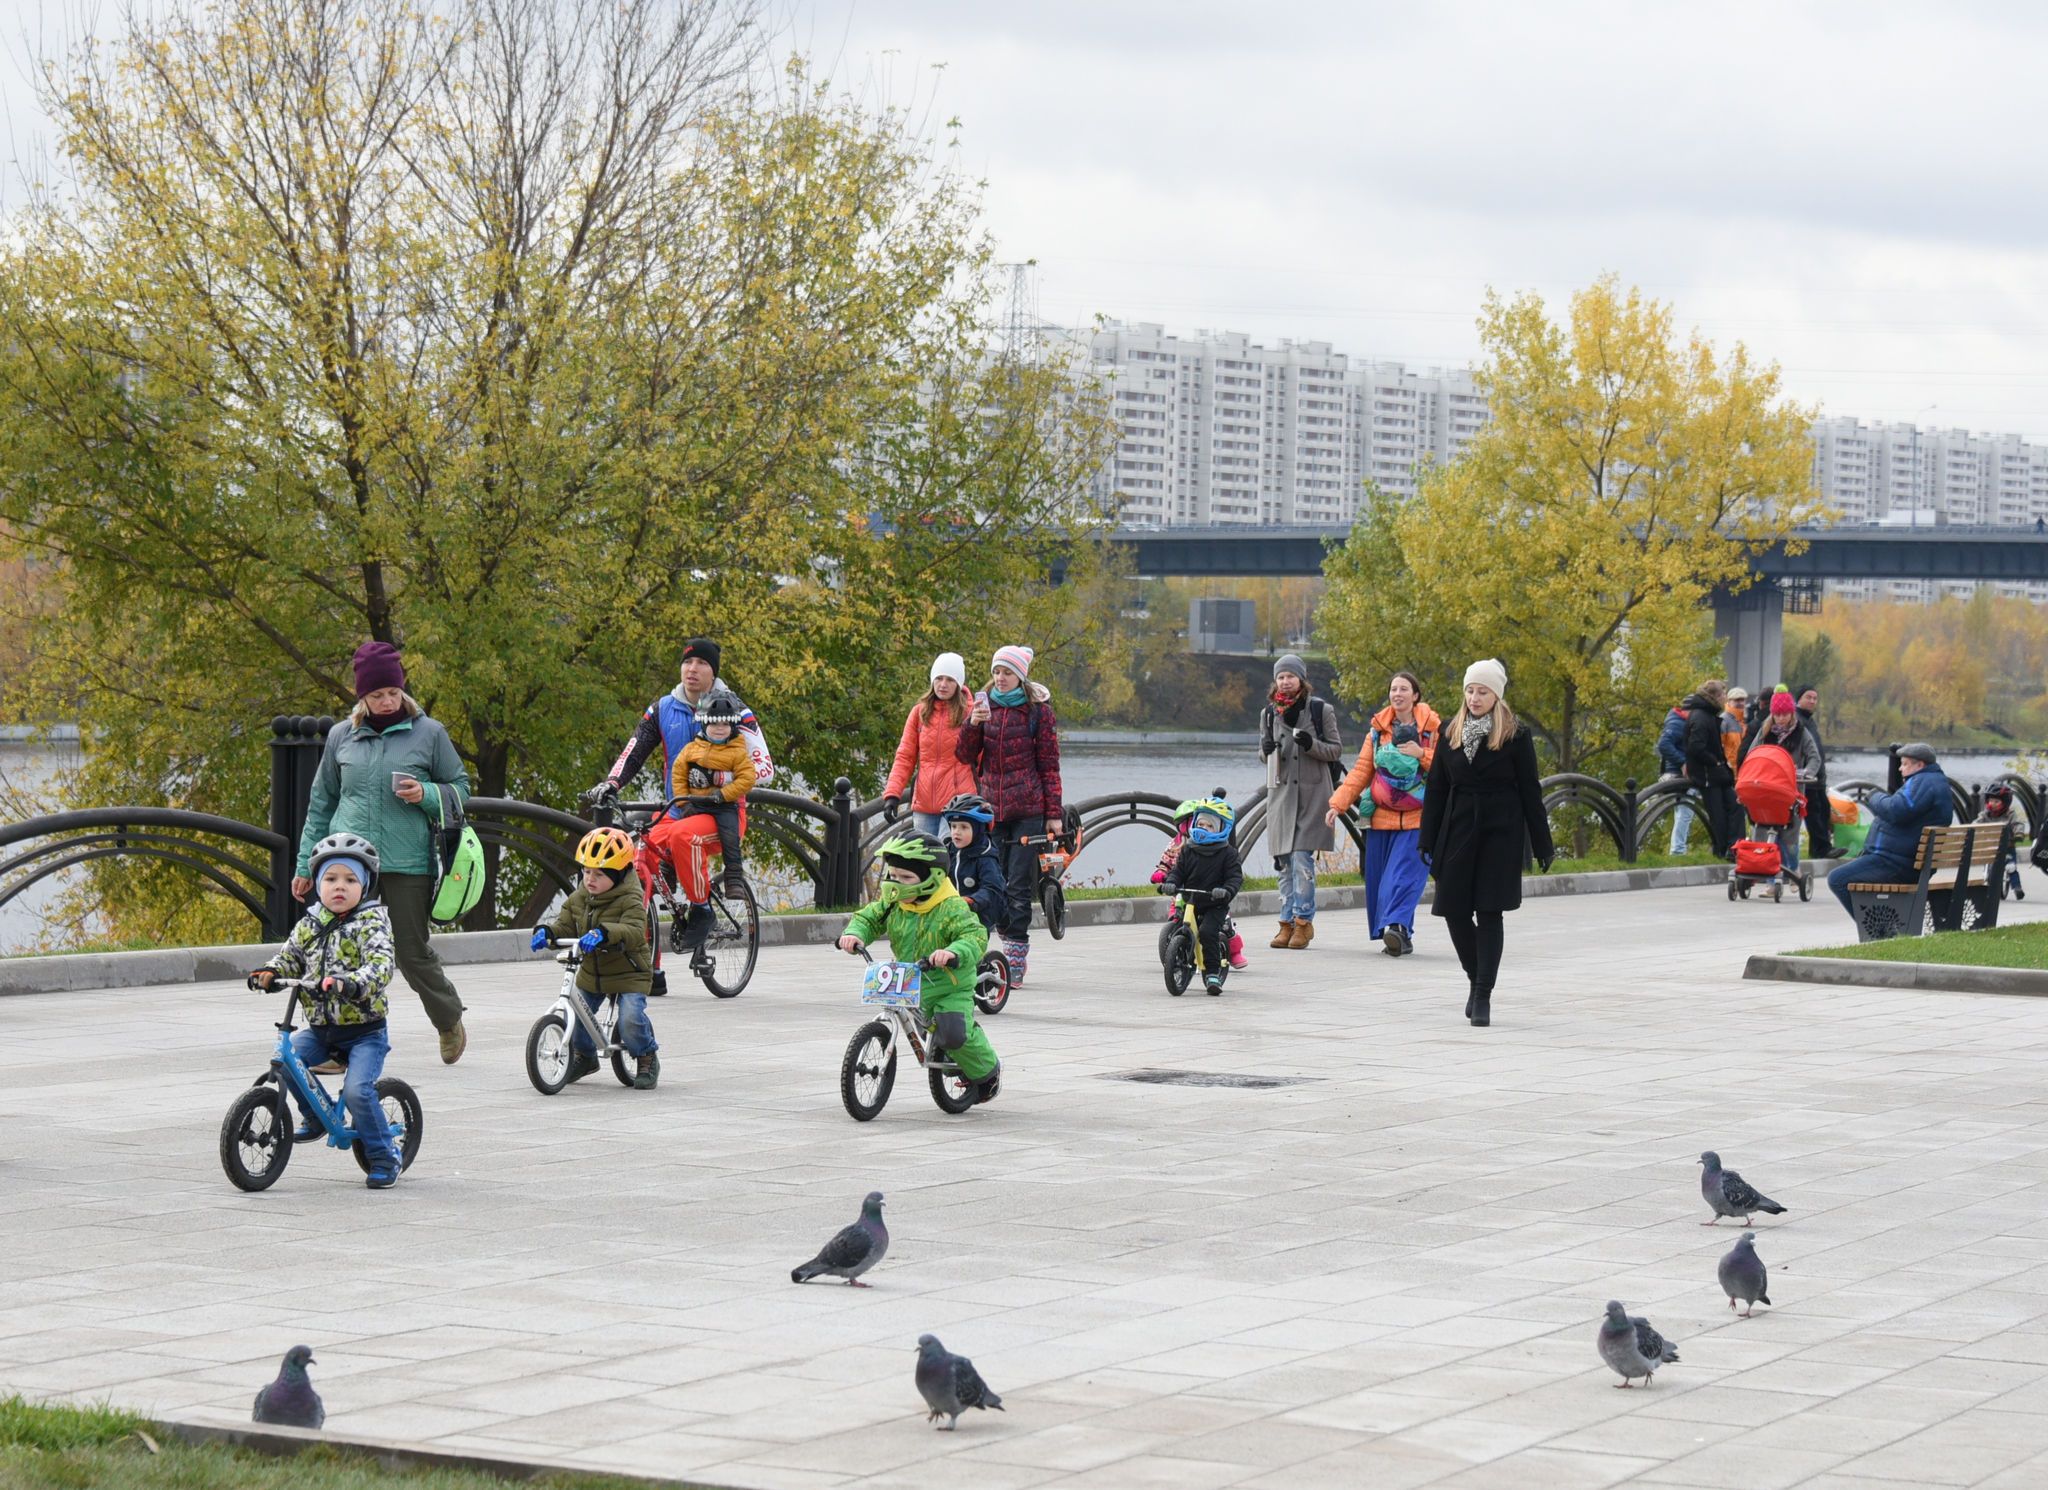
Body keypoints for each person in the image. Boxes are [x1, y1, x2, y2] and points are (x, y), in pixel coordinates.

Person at [297, 641, 471, 1064]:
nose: (387, 701)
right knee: (343, 951)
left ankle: (449, 1020)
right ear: (363, 696)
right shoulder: (342, 736)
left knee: (411, 954)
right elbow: (322, 801)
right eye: (377, 695)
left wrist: (427, 793)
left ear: (402, 689)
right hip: (349, 865)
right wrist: (306, 863)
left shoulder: (429, 733)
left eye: (393, 692)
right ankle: (341, 1045)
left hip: (408, 862)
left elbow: (461, 789)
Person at [598, 637, 777, 990]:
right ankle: (649, 967)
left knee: (684, 837)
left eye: (701, 664)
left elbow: (765, 766)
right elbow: (634, 750)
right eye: (687, 663)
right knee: (639, 855)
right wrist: (611, 783)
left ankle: (703, 909)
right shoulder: (663, 708)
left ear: (714, 672)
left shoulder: (733, 709)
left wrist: (718, 779)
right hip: (677, 809)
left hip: (721, 812)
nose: (691, 670)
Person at [250, 833, 402, 1188]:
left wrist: (349, 982)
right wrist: (270, 973)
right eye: (331, 879)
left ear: (364, 886)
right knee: (288, 1064)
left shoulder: (372, 922)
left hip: (364, 1030)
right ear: (317, 885)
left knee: (357, 1092)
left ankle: (384, 1155)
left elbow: (381, 965)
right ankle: (314, 1116)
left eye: (350, 880)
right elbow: (290, 957)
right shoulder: (309, 924)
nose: (339, 887)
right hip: (321, 1028)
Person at [1417, 659, 1554, 1028]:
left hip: (1501, 832)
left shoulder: (1516, 734)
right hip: (1458, 829)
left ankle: (1482, 995)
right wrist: (1426, 837)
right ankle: (1475, 978)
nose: (1475, 697)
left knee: (1490, 911)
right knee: (1454, 910)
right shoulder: (1449, 731)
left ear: (1496, 695)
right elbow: (1437, 790)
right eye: (1470, 690)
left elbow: (1530, 791)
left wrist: (1542, 843)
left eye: (1483, 691)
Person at [837, 834, 999, 1103]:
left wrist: (952, 952)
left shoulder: (951, 907)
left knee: (954, 1035)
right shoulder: (893, 903)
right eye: (892, 875)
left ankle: (988, 1072)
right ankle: (945, 1053)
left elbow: (974, 935)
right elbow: (869, 917)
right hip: (913, 981)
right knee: (932, 1034)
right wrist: (855, 934)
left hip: (951, 984)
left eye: (905, 878)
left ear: (931, 878)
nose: (896, 883)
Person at [955, 645, 1062, 988]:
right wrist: (973, 724)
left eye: (1007, 672)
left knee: (1017, 886)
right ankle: (981, 953)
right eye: (997, 671)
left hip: (1028, 809)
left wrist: (1053, 814)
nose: (1000, 678)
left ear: (1021, 676)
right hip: (990, 810)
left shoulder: (1037, 712)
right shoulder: (983, 704)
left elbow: (1049, 764)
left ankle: (1015, 958)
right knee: (990, 883)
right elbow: (964, 754)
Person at [532, 826, 659, 1089]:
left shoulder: (630, 898)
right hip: (593, 971)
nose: (590, 879)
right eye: (586, 871)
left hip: (629, 971)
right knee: (576, 1013)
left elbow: (635, 931)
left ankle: (646, 1055)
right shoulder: (581, 897)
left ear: (618, 874)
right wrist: (547, 932)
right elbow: (565, 924)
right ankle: (585, 1056)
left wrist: (604, 933)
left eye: (599, 874)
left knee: (630, 1020)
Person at [1327, 672, 1438, 957]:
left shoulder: (1434, 729)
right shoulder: (1377, 731)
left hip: (1418, 818)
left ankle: (1397, 928)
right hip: (1381, 818)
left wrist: (1420, 754)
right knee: (1381, 880)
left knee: (1402, 876)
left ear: (1416, 695)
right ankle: (1400, 934)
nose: (1397, 693)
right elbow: (1362, 772)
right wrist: (1337, 804)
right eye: (1393, 689)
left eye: (1404, 689)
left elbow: (1449, 768)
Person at [1259, 654, 1343, 950]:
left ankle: (1303, 923)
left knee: (1302, 861)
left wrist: (1311, 745)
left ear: (1301, 679)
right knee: (1283, 863)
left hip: (1312, 796)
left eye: (1290, 676)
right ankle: (1285, 923)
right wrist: (1265, 750)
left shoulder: (1321, 710)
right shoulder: (1269, 713)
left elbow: (1335, 750)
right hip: (1281, 798)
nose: (1285, 681)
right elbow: (1262, 754)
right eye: (1281, 676)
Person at [1826, 742, 1953, 916]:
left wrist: (1874, 796)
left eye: (1905, 764)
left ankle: (1877, 930)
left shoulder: (1923, 782)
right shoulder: (1932, 781)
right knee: (1851, 876)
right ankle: (1883, 926)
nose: (1900, 769)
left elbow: (1896, 810)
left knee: (1837, 879)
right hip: (1908, 861)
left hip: (1898, 864)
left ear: (1920, 765)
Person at [884, 655, 981, 837]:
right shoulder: (919, 713)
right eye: (938, 678)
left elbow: (983, 759)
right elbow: (905, 756)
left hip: (958, 802)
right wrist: (892, 794)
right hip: (924, 802)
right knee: (924, 861)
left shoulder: (971, 713)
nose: (943, 684)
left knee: (947, 858)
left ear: (958, 683)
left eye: (950, 679)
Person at [674, 690, 756, 904]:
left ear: (732, 727)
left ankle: (734, 878)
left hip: (723, 805)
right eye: (714, 724)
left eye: (725, 725)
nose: (719, 729)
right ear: (704, 724)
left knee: (730, 839)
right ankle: (669, 870)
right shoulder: (691, 749)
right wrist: (683, 802)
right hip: (696, 804)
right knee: (672, 833)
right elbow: (678, 773)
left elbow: (747, 779)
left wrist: (723, 794)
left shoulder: (737, 752)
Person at [1158, 797, 1244, 995]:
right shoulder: (1188, 850)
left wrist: (1226, 890)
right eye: (1200, 824)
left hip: (1215, 903)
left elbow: (1234, 878)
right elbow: (1178, 872)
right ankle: (1179, 960)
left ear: (1222, 828)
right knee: (1180, 924)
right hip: (1192, 900)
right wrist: (1171, 883)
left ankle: (1212, 972)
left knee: (1207, 933)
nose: (1203, 828)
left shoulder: (1228, 853)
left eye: (1209, 826)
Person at [1738, 691, 1821, 881]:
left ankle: (1793, 869)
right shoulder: (1765, 731)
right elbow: (1752, 754)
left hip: (1791, 790)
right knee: (1764, 834)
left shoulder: (1801, 733)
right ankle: (1770, 879)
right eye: (1777, 715)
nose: (1781, 719)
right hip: (1767, 789)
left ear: (1792, 713)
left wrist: (1807, 772)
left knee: (1789, 839)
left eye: (1785, 714)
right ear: (1772, 714)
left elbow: (1814, 757)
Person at [1681, 678, 1739, 859]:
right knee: (1718, 813)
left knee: (1735, 805)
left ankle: (1734, 847)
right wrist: (1714, 762)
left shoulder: (1706, 714)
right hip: (1707, 774)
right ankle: (1722, 850)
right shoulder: (1701, 716)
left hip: (1716, 773)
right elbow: (1696, 747)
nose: (1724, 698)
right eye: (1723, 694)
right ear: (1714, 696)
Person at [939, 793, 1006, 930]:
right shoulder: (947, 852)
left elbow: (992, 888)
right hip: (951, 913)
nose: (956, 832)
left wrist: (972, 900)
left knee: (966, 946)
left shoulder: (985, 857)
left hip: (979, 915)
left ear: (978, 830)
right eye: (954, 826)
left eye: (964, 827)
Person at [1656, 695, 1699, 854]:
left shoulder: (1680, 723)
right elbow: (1663, 744)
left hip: (1677, 773)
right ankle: (1678, 850)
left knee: (1684, 812)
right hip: (1677, 774)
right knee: (1684, 812)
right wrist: (1683, 762)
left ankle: (1678, 849)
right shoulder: (1677, 724)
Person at [1795, 686, 1834, 860]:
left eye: (1815, 698)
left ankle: (1820, 848)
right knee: (1814, 813)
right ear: (1799, 699)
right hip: (1807, 777)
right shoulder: (1797, 720)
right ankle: (1821, 849)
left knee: (1824, 810)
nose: (1812, 701)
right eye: (1808, 697)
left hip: (1818, 777)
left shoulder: (1810, 720)